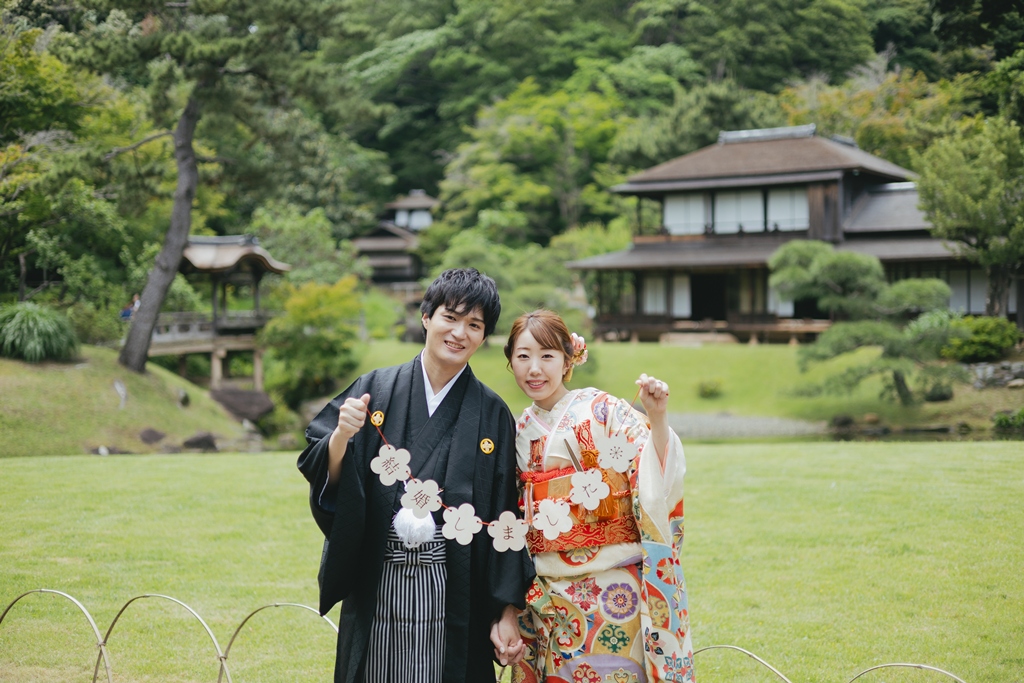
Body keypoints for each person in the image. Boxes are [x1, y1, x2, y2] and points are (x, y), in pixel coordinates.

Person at [297, 268, 534, 683]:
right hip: (379, 577)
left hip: (455, 585)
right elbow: (325, 471)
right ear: (426, 317)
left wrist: (507, 609)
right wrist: (341, 436)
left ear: (483, 336)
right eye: (451, 317)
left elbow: (504, 517)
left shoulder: (493, 413)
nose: (459, 332)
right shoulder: (375, 389)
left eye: (474, 325)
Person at [502, 310, 694, 683]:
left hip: (611, 591)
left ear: (568, 359)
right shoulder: (518, 429)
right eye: (523, 356)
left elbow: (652, 473)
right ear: (510, 360)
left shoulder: (604, 410)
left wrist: (658, 418)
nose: (535, 369)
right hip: (546, 596)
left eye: (547, 356)